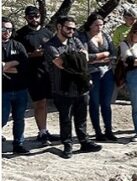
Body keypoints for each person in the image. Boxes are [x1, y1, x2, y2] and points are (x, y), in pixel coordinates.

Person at [46, 15, 101, 159]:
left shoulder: (76, 40)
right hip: (62, 88)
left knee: (82, 117)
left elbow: (86, 58)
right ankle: (67, 144)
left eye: (73, 28)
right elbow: (60, 63)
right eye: (68, 28)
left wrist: (71, 57)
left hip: (80, 86)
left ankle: (84, 141)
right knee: (66, 118)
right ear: (59, 27)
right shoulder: (51, 45)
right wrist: (77, 58)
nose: (71, 31)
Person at [15, 3, 71, 143]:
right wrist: (32, 54)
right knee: (39, 103)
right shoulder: (20, 35)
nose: (34, 18)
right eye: (31, 16)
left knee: (57, 103)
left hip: (51, 73)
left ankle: (58, 132)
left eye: (37, 15)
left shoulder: (47, 32)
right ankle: (42, 132)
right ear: (26, 18)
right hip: (33, 74)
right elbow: (17, 57)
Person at [81, 12, 116, 142]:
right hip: (92, 73)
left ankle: (109, 130)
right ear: (90, 25)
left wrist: (97, 59)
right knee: (94, 103)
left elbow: (113, 54)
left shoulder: (106, 36)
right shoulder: (84, 37)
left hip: (107, 72)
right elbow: (85, 57)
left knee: (106, 103)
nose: (99, 27)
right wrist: (102, 56)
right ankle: (98, 132)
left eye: (101, 25)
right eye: (96, 25)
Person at [2, 16, 31, 154]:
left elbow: (25, 66)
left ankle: (18, 144)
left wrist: (5, 66)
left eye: (9, 29)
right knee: (2, 118)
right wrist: (15, 63)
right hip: (3, 91)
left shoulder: (18, 45)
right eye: (3, 28)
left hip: (20, 89)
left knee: (19, 119)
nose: (6, 31)